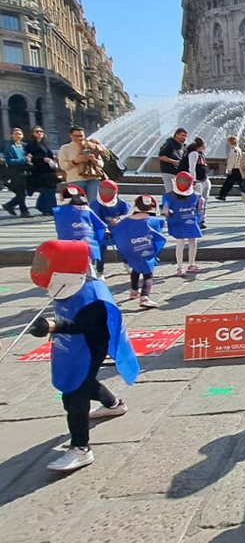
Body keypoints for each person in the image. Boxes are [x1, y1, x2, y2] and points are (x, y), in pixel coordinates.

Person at [28, 239, 138, 472]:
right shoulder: (66, 283)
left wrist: (53, 325)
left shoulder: (93, 294)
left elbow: (84, 325)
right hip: (71, 343)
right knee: (84, 381)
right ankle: (114, 404)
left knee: (74, 394)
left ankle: (80, 448)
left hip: (90, 345)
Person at [111, 194, 167, 309]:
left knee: (135, 269)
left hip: (130, 250)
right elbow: (159, 233)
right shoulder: (153, 220)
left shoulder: (126, 221)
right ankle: (145, 297)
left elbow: (116, 230)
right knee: (148, 275)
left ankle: (134, 291)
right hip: (145, 250)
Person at [53, 185, 107, 268]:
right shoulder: (86, 209)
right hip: (88, 246)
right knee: (89, 269)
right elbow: (100, 226)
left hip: (66, 246)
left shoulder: (58, 211)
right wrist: (97, 240)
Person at [162, 171, 203, 276]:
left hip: (185, 221)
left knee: (188, 242)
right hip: (183, 221)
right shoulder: (170, 196)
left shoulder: (169, 196)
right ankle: (182, 266)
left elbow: (199, 209)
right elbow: (165, 209)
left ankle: (188, 265)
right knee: (185, 243)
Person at [90, 180, 131, 280]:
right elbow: (95, 219)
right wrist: (105, 228)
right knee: (101, 250)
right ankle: (100, 271)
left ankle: (127, 263)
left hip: (118, 230)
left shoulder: (121, 203)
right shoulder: (95, 205)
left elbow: (128, 214)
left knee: (124, 247)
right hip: (102, 231)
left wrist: (119, 219)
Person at [57, 127, 105, 204]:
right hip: (76, 180)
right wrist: (76, 161)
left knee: (94, 203)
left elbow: (101, 164)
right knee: (77, 204)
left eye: (82, 136)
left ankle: (93, 216)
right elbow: (63, 166)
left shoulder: (91, 146)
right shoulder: (65, 148)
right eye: (77, 136)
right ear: (71, 136)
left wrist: (94, 160)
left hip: (93, 179)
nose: (80, 138)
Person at [25, 126, 58, 215]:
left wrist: (53, 158)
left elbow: (49, 155)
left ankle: (42, 205)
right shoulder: (31, 145)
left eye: (41, 131)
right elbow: (30, 158)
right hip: (39, 170)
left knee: (50, 189)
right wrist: (42, 159)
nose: (40, 133)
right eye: (37, 131)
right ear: (33, 133)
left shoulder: (44, 144)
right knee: (47, 189)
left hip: (48, 170)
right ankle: (49, 208)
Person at [179, 138, 210, 229]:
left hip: (203, 179)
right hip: (198, 181)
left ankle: (201, 219)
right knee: (198, 201)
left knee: (204, 200)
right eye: (204, 144)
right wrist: (193, 180)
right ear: (200, 145)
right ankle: (197, 219)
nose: (206, 146)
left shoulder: (200, 154)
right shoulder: (194, 153)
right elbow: (191, 168)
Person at [2, 127, 31, 217]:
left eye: (19, 134)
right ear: (12, 135)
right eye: (15, 134)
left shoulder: (24, 146)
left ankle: (10, 205)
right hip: (15, 173)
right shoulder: (10, 147)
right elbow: (9, 161)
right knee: (21, 192)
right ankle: (24, 211)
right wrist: (23, 160)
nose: (17, 136)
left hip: (25, 172)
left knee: (22, 192)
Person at [157, 128, 187, 193]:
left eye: (185, 136)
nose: (184, 138)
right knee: (170, 192)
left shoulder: (183, 146)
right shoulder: (169, 144)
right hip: (169, 171)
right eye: (182, 135)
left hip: (178, 173)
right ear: (176, 135)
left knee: (178, 192)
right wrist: (174, 162)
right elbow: (161, 156)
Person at [216, 136, 243, 201]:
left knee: (228, 183)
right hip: (238, 169)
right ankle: (222, 195)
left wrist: (229, 169)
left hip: (234, 169)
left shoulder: (233, 150)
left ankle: (222, 195)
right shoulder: (238, 149)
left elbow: (231, 161)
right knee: (240, 183)